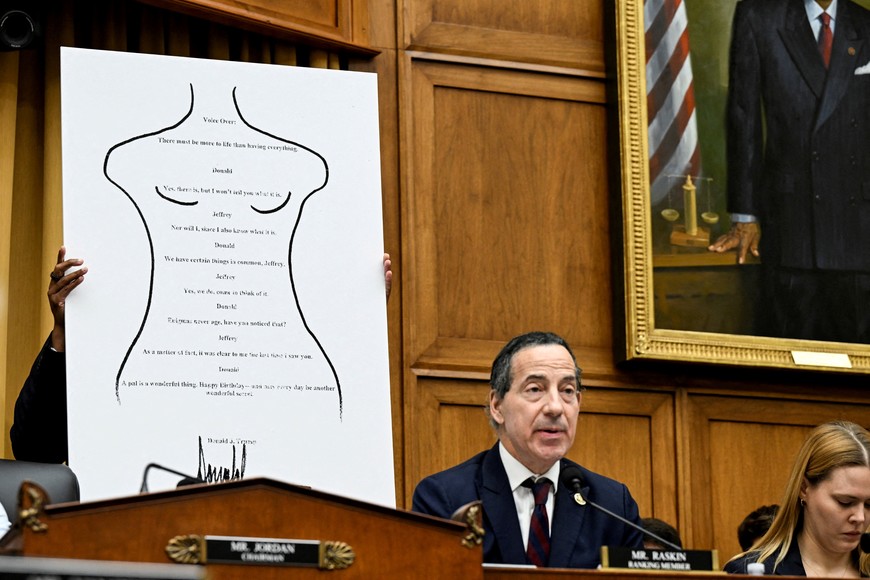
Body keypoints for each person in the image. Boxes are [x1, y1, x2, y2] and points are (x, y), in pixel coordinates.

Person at [10, 247, 394, 464]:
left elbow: (342, 447)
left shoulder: (298, 367)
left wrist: (362, 329)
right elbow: (34, 451)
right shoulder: (129, 360)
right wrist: (65, 331)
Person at [708, 0, 870, 343]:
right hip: (791, 225)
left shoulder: (865, 22)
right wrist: (745, 215)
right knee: (788, 368)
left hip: (858, 232)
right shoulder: (760, 16)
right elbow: (743, 116)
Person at [412, 331, 644, 568]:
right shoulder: (445, 498)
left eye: (567, 391)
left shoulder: (613, 505)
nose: (555, 407)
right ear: (497, 405)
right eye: (535, 389)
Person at [724, 420, 870, 576]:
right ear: (804, 488)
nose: (860, 517)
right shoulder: (748, 572)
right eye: (845, 502)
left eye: (869, 504)